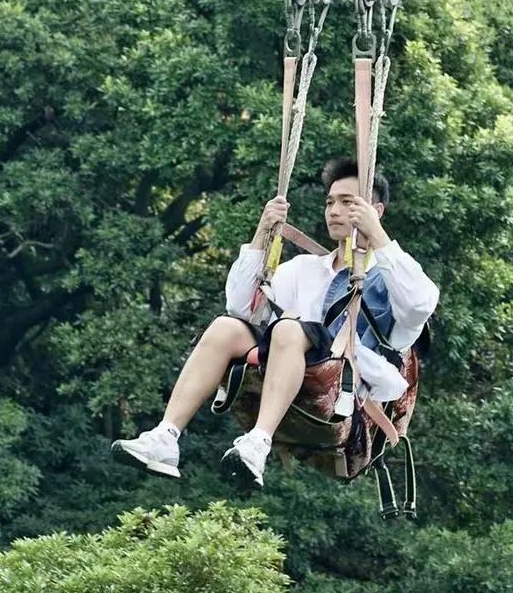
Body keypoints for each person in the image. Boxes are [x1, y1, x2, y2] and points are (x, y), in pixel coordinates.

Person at [112, 157, 439, 488]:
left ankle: (259, 442)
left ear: (375, 211)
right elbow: (241, 307)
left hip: (347, 394)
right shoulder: (306, 270)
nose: (334, 211)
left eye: (347, 203)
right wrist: (262, 234)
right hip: (296, 375)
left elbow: (421, 302)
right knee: (226, 327)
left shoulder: (389, 282)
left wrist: (377, 235)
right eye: (329, 202)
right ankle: (166, 436)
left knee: (287, 328)